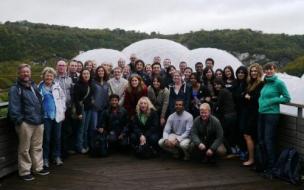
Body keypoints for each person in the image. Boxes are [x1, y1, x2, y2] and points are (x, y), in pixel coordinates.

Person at [8, 64, 49, 181]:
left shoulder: (33, 85)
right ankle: (25, 171)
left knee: (37, 147)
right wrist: (20, 121)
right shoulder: (15, 88)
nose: (26, 74)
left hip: (38, 121)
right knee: (24, 149)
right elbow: (13, 108)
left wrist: (41, 117)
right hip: (26, 123)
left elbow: (39, 102)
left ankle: (38, 168)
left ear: (30, 73)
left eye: (28, 72)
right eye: (23, 72)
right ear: (19, 73)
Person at [258, 63, 290, 177]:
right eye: (266, 69)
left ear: (275, 70)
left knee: (268, 140)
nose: (268, 71)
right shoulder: (265, 82)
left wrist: (272, 101)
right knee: (261, 140)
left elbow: (287, 98)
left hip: (272, 115)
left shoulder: (279, 83)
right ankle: (265, 165)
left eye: (270, 69)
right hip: (262, 113)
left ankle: (273, 169)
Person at [38, 67, 66, 167]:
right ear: (43, 76)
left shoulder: (57, 86)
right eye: (47, 75)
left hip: (57, 116)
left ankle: (56, 156)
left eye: (51, 75)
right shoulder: (39, 88)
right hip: (45, 117)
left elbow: (63, 98)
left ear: (54, 77)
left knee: (57, 137)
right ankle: (45, 158)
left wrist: (62, 109)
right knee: (46, 138)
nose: (49, 77)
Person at [242, 63, 264, 166]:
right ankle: (252, 157)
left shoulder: (261, 84)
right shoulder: (250, 83)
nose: (253, 73)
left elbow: (259, 99)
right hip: (248, 112)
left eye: (255, 71)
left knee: (248, 135)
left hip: (255, 113)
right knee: (249, 135)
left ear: (259, 72)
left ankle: (251, 159)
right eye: (252, 71)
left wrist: (249, 97)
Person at [213, 79, 238, 156]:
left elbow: (218, 104)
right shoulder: (226, 91)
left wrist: (209, 103)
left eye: (218, 84)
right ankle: (234, 150)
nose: (216, 86)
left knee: (221, 133)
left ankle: (230, 151)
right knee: (230, 134)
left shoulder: (222, 91)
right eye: (215, 84)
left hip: (227, 116)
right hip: (233, 114)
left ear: (222, 84)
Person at [54, 60, 74, 157]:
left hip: (68, 108)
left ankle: (65, 151)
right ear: (56, 67)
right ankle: (58, 152)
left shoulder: (69, 79)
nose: (61, 67)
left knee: (67, 130)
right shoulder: (53, 78)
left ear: (66, 67)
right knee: (58, 131)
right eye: (60, 65)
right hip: (57, 109)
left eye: (63, 65)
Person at [74, 69, 95, 154]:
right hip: (81, 109)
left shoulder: (90, 84)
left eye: (87, 74)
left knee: (86, 129)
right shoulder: (78, 85)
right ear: (81, 75)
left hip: (89, 108)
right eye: (84, 74)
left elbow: (91, 96)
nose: (86, 75)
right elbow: (76, 100)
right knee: (81, 129)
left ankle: (85, 145)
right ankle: (79, 146)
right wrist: (79, 113)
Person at [233, 66, 248, 160]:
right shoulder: (236, 84)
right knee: (238, 130)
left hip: (245, 111)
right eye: (239, 72)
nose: (240, 74)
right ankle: (240, 150)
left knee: (243, 130)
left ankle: (244, 151)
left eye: (242, 72)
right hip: (237, 111)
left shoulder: (247, 84)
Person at [92, 66, 110, 133]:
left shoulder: (107, 83)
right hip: (95, 108)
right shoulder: (93, 82)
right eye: (99, 71)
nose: (101, 72)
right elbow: (91, 94)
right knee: (94, 126)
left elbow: (108, 95)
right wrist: (93, 102)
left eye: (102, 71)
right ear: (97, 72)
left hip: (104, 108)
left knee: (101, 127)